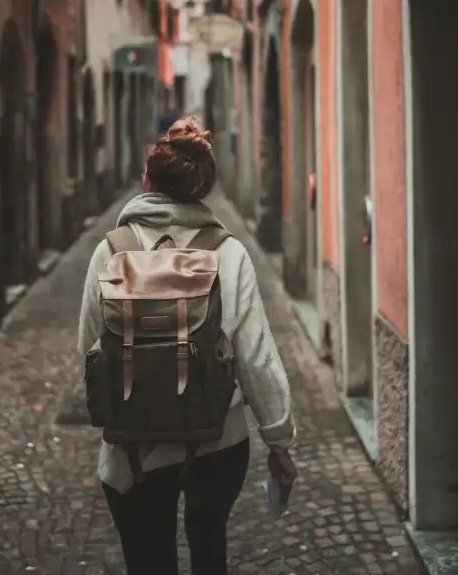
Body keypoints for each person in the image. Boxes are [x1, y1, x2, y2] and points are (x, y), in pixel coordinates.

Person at [78, 117, 296, 575]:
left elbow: (90, 344)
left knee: (148, 559)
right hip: (216, 439)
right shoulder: (227, 252)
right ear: (204, 187)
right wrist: (279, 440)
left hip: (133, 445)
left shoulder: (112, 250)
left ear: (147, 180)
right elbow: (256, 357)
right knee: (209, 548)